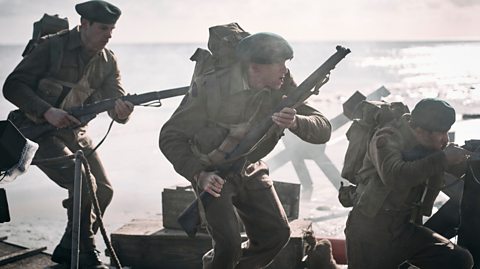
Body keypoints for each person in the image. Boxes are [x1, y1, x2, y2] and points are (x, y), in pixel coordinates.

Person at [159, 32, 332, 269]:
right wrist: (200, 174)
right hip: (215, 172)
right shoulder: (212, 88)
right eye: (278, 63)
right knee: (228, 246)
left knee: (277, 234)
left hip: (250, 166)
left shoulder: (282, 85)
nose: (285, 69)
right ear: (255, 67)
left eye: (286, 63)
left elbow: (323, 128)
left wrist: (296, 122)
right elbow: (170, 137)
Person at [2, 1, 133, 268]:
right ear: (84, 25)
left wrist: (122, 112)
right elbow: (12, 86)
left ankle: (68, 247)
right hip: (36, 133)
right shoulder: (52, 47)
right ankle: (84, 253)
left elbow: (115, 102)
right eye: (103, 28)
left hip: (75, 133)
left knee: (104, 191)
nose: (109, 35)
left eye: (113, 29)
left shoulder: (108, 61)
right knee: (83, 183)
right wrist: (47, 110)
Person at [344, 98, 474, 269]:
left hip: (404, 227)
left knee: (459, 260)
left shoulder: (428, 145)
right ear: (420, 131)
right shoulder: (386, 138)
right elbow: (395, 176)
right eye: (441, 133)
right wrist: (443, 158)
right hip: (371, 230)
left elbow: (441, 167)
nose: (445, 140)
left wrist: (466, 158)